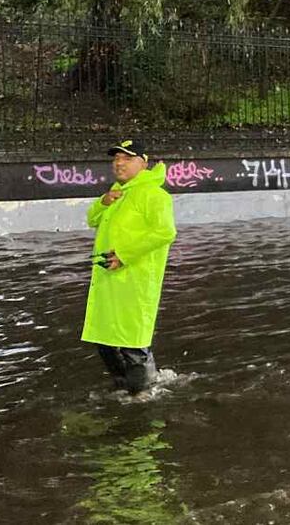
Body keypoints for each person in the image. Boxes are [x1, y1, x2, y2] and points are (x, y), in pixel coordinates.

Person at [83, 139, 176, 394]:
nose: (118, 163)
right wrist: (103, 201)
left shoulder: (155, 195)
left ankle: (144, 396)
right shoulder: (118, 192)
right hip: (108, 280)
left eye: (126, 158)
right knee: (104, 340)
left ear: (143, 163)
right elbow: (92, 219)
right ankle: (125, 390)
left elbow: (165, 232)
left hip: (134, 281)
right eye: (115, 159)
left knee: (131, 343)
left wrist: (124, 254)